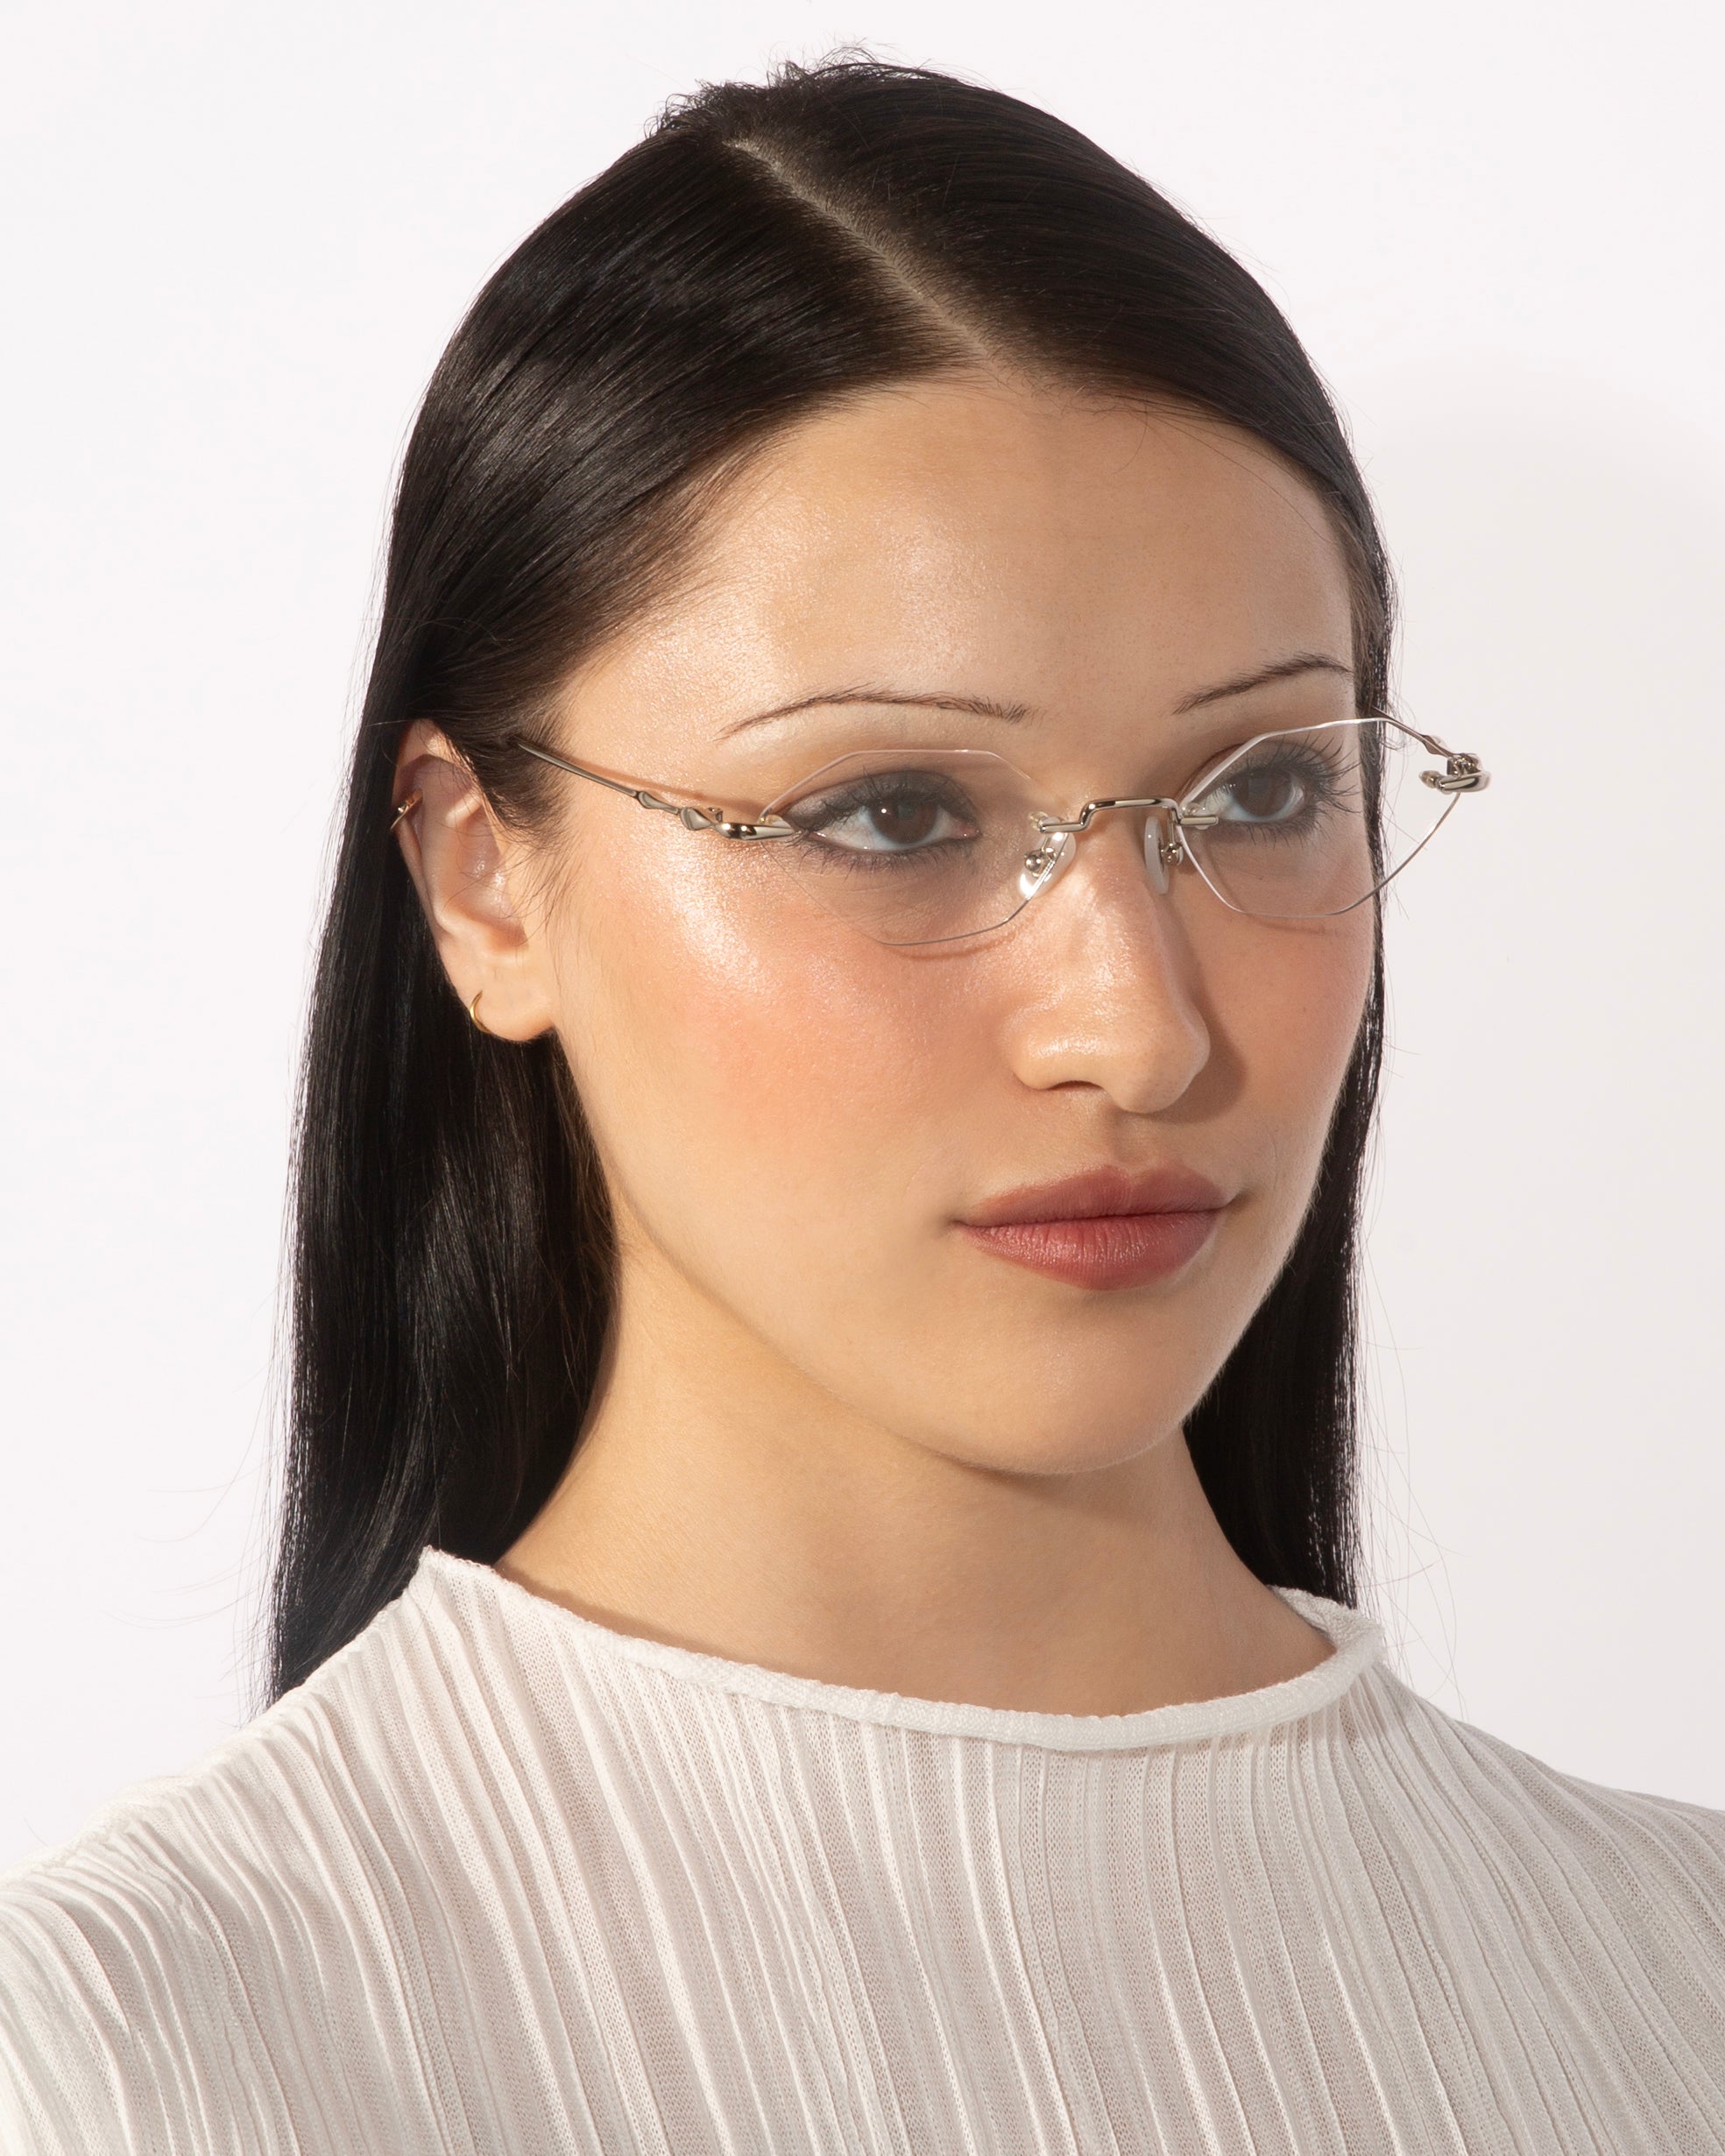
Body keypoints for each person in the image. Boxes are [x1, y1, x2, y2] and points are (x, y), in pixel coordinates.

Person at [2, 56, 1721, 2156]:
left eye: (1262, 791)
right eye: (889, 808)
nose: (1136, 1028)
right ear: (480, 875)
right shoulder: (131, 2057)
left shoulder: (1680, 1968)